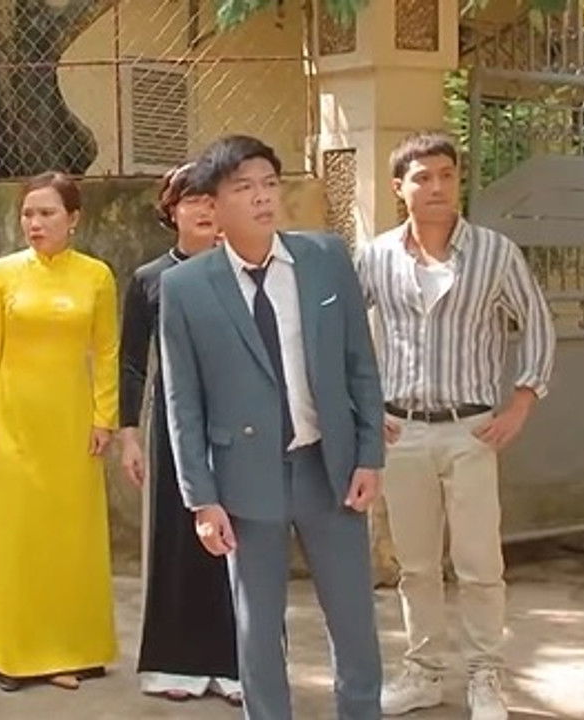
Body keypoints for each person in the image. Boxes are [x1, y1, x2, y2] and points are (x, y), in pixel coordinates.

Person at [159, 135, 385, 720]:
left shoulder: (325, 257)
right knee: (257, 629)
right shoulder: (185, 288)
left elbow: (359, 363)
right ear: (213, 205)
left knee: (354, 621)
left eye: (269, 184)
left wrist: (369, 454)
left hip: (329, 467)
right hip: (244, 478)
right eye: (244, 188)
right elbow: (182, 402)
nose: (262, 198)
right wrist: (202, 499)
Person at [359, 132, 554, 720]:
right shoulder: (375, 257)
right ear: (399, 188)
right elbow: (341, 334)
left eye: (446, 174)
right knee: (415, 565)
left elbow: (538, 324)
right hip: (400, 432)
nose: (437, 187)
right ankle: (422, 672)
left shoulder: (495, 253)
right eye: (423, 177)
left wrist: (522, 402)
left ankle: (485, 676)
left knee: (479, 564)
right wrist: (364, 407)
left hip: (471, 432)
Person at [0, 171, 120, 692]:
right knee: (14, 538)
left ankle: (77, 649)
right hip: (12, 424)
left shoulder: (96, 276)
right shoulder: (4, 274)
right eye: (28, 213)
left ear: (73, 219)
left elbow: (107, 351)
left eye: (47, 213)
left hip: (72, 425)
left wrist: (104, 417)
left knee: (72, 538)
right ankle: (12, 654)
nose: (35, 223)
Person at [118, 163, 240, 705]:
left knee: (240, 538)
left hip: (239, 420)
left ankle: (239, 662)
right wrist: (129, 433)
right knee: (177, 536)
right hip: (174, 423)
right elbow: (131, 362)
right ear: (172, 210)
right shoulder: (150, 279)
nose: (204, 210)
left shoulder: (246, 271)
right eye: (192, 200)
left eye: (213, 199)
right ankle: (177, 662)